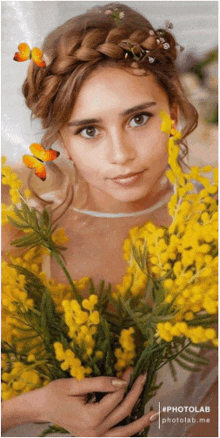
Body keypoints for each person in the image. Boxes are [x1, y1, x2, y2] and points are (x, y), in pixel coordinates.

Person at [1, 3, 217, 437]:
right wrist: (31, 407)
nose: (121, 156)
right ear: (60, 137)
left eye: (139, 119)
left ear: (173, 111)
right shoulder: (14, 218)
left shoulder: (208, 226)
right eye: (89, 130)